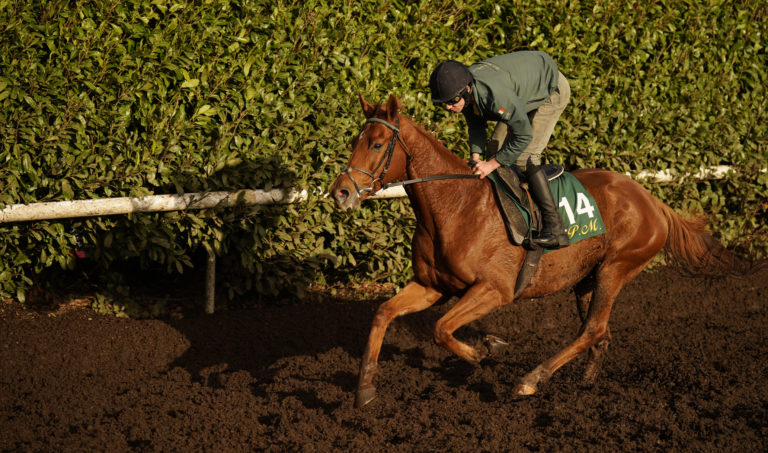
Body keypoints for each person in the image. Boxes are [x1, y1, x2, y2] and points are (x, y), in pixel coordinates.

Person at [429, 50, 571, 249]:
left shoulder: (494, 96)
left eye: (452, 102)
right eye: (444, 103)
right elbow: (476, 124)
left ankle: (556, 229)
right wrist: (476, 159)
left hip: (550, 89)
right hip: (522, 89)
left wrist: (491, 165)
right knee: (494, 150)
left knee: (524, 158)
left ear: (467, 90)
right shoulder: (465, 89)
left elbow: (524, 135)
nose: (448, 108)